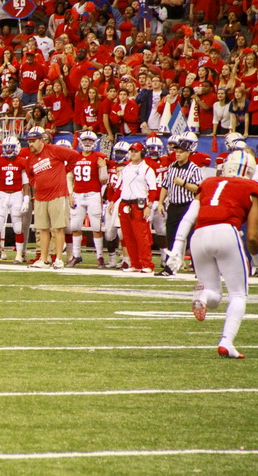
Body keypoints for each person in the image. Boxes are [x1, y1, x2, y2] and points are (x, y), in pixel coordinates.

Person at [166, 150, 258, 359]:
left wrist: (178, 247)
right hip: (226, 232)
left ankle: (203, 296)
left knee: (214, 294)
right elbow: (253, 236)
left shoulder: (209, 183)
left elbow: (189, 217)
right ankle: (226, 341)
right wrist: (255, 259)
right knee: (238, 294)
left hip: (199, 236)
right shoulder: (252, 187)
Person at [24, 126, 80, 269]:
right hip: (40, 197)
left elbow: (74, 156)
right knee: (42, 228)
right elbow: (30, 174)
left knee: (58, 228)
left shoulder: (53, 149)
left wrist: (65, 170)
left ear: (41, 140)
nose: (31, 144)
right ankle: (43, 259)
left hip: (57, 194)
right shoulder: (30, 158)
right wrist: (34, 183)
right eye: (29, 141)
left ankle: (59, 259)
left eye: (33, 141)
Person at [156, 137, 203, 277]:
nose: (178, 154)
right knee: (171, 237)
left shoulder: (194, 169)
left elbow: (198, 188)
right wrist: (160, 202)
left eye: (181, 152)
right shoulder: (172, 167)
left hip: (187, 206)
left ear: (188, 153)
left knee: (192, 238)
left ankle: (199, 268)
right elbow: (165, 186)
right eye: (177, 151)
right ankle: (170, 267)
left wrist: (183, 183)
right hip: (173, 205)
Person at [111, 142, 158, 273]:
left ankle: (147, 264)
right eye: (131, 151)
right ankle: (135, 263)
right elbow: (119, 188)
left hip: (139, 204)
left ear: (142, 153)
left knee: (141, 236)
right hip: (125, 203)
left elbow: (153, 189)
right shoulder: (126, 169)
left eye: (135, 151)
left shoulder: (147, 170)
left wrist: (149, 206)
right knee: (128, 235)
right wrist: (112, 201)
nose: (132, 154)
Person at [67, 131, 108, 267]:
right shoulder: (74, 156)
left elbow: (104, 180)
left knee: (96, 226)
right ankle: (76, 255)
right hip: (77, 195)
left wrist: (103, 168)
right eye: (85, 140)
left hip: (93, 195)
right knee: (75, 226)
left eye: (90, 140)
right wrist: (70, 194)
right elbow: (69, 177)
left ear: (95, 143)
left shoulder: (98, 157)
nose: (87, 143)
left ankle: (100, 256)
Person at [0, 135, 30, 263]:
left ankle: (19, 255)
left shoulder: (21, 161)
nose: (8, 150)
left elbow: (26, 184)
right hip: (2, 195)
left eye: (10, 147)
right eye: (6, 147)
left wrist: (26, 199)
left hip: (17, 195)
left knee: (17, 227)